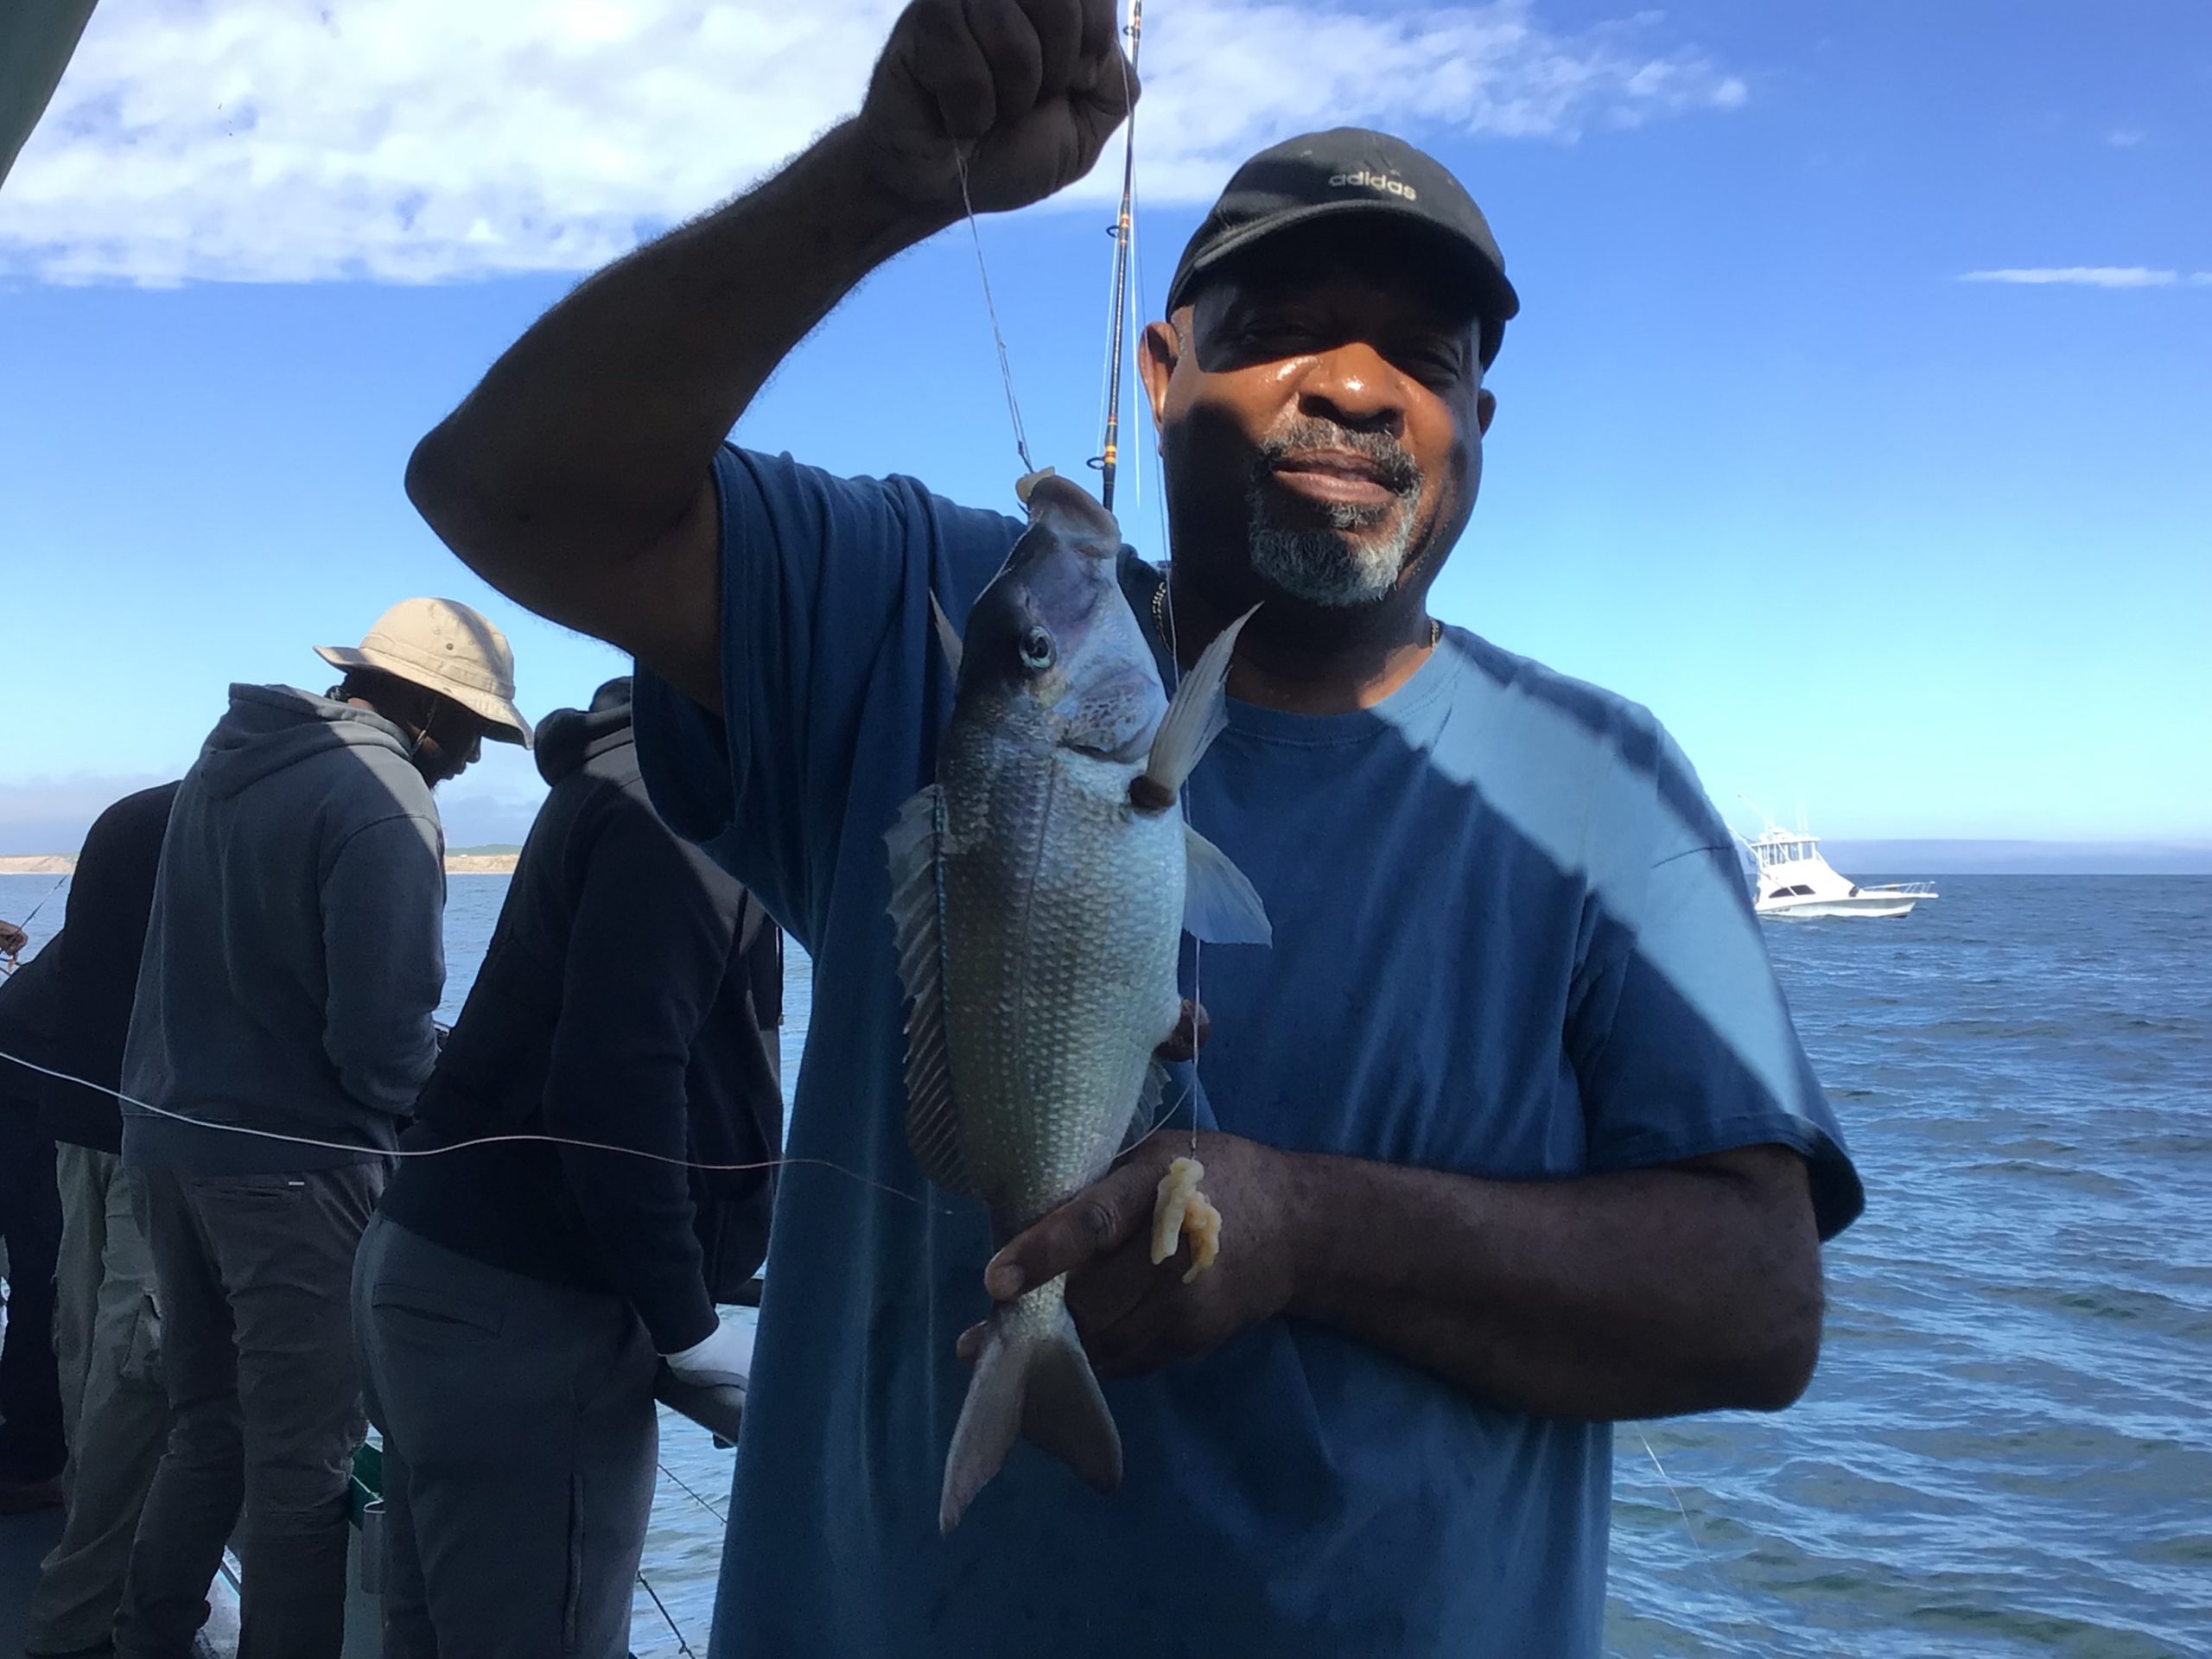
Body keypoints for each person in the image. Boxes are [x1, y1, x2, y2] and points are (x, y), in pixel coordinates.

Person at [402, 3, 1862, 1652]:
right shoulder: (935, 627)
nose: (1361, 389)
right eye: (1287, 326)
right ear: (1163, 376)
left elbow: (1761, 1304)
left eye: (1426, 359)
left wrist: (1310, 1232)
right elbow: (507, 489)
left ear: (1475, 431)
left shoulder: (1606, 785)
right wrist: (888, 180)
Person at [113, 600, 531, 1659]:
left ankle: (144, 1639)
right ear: (430, 708)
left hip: (168, 1142)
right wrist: (489, 1095)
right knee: (305, 1469)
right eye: (477, 729)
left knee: (207, 1427)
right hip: (293, 1176)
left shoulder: (232, 761)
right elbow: (380, 1053)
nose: (474, 757)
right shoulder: (386, 800)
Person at [355, 675, 783, 1659]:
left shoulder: (614, 782)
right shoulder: (680, 806)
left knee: (427, 1635)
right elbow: (615, 1082)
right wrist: (689, 1325)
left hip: (430, 1269)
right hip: (526, 1320)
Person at [20, 782, 181, 1659]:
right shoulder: (209, 827)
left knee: (86, 1345)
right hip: (141, 1136)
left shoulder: (129, 817)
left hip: (74, 1121)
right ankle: (79, 1619)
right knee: (133, 1367)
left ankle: (81, 1596)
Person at [0, 933, 67, 1518]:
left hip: (20, 1062)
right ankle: (26, 1465)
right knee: (44, 1271)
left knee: (39, 1271)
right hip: (26, 1087)